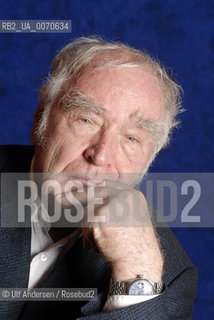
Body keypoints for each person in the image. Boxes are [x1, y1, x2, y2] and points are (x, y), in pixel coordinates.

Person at [0, 36, 197, 320]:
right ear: (40, 119)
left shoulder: (170, 277)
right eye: (86, 120)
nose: (101, 155)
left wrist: (134, 272)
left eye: (131, 138)